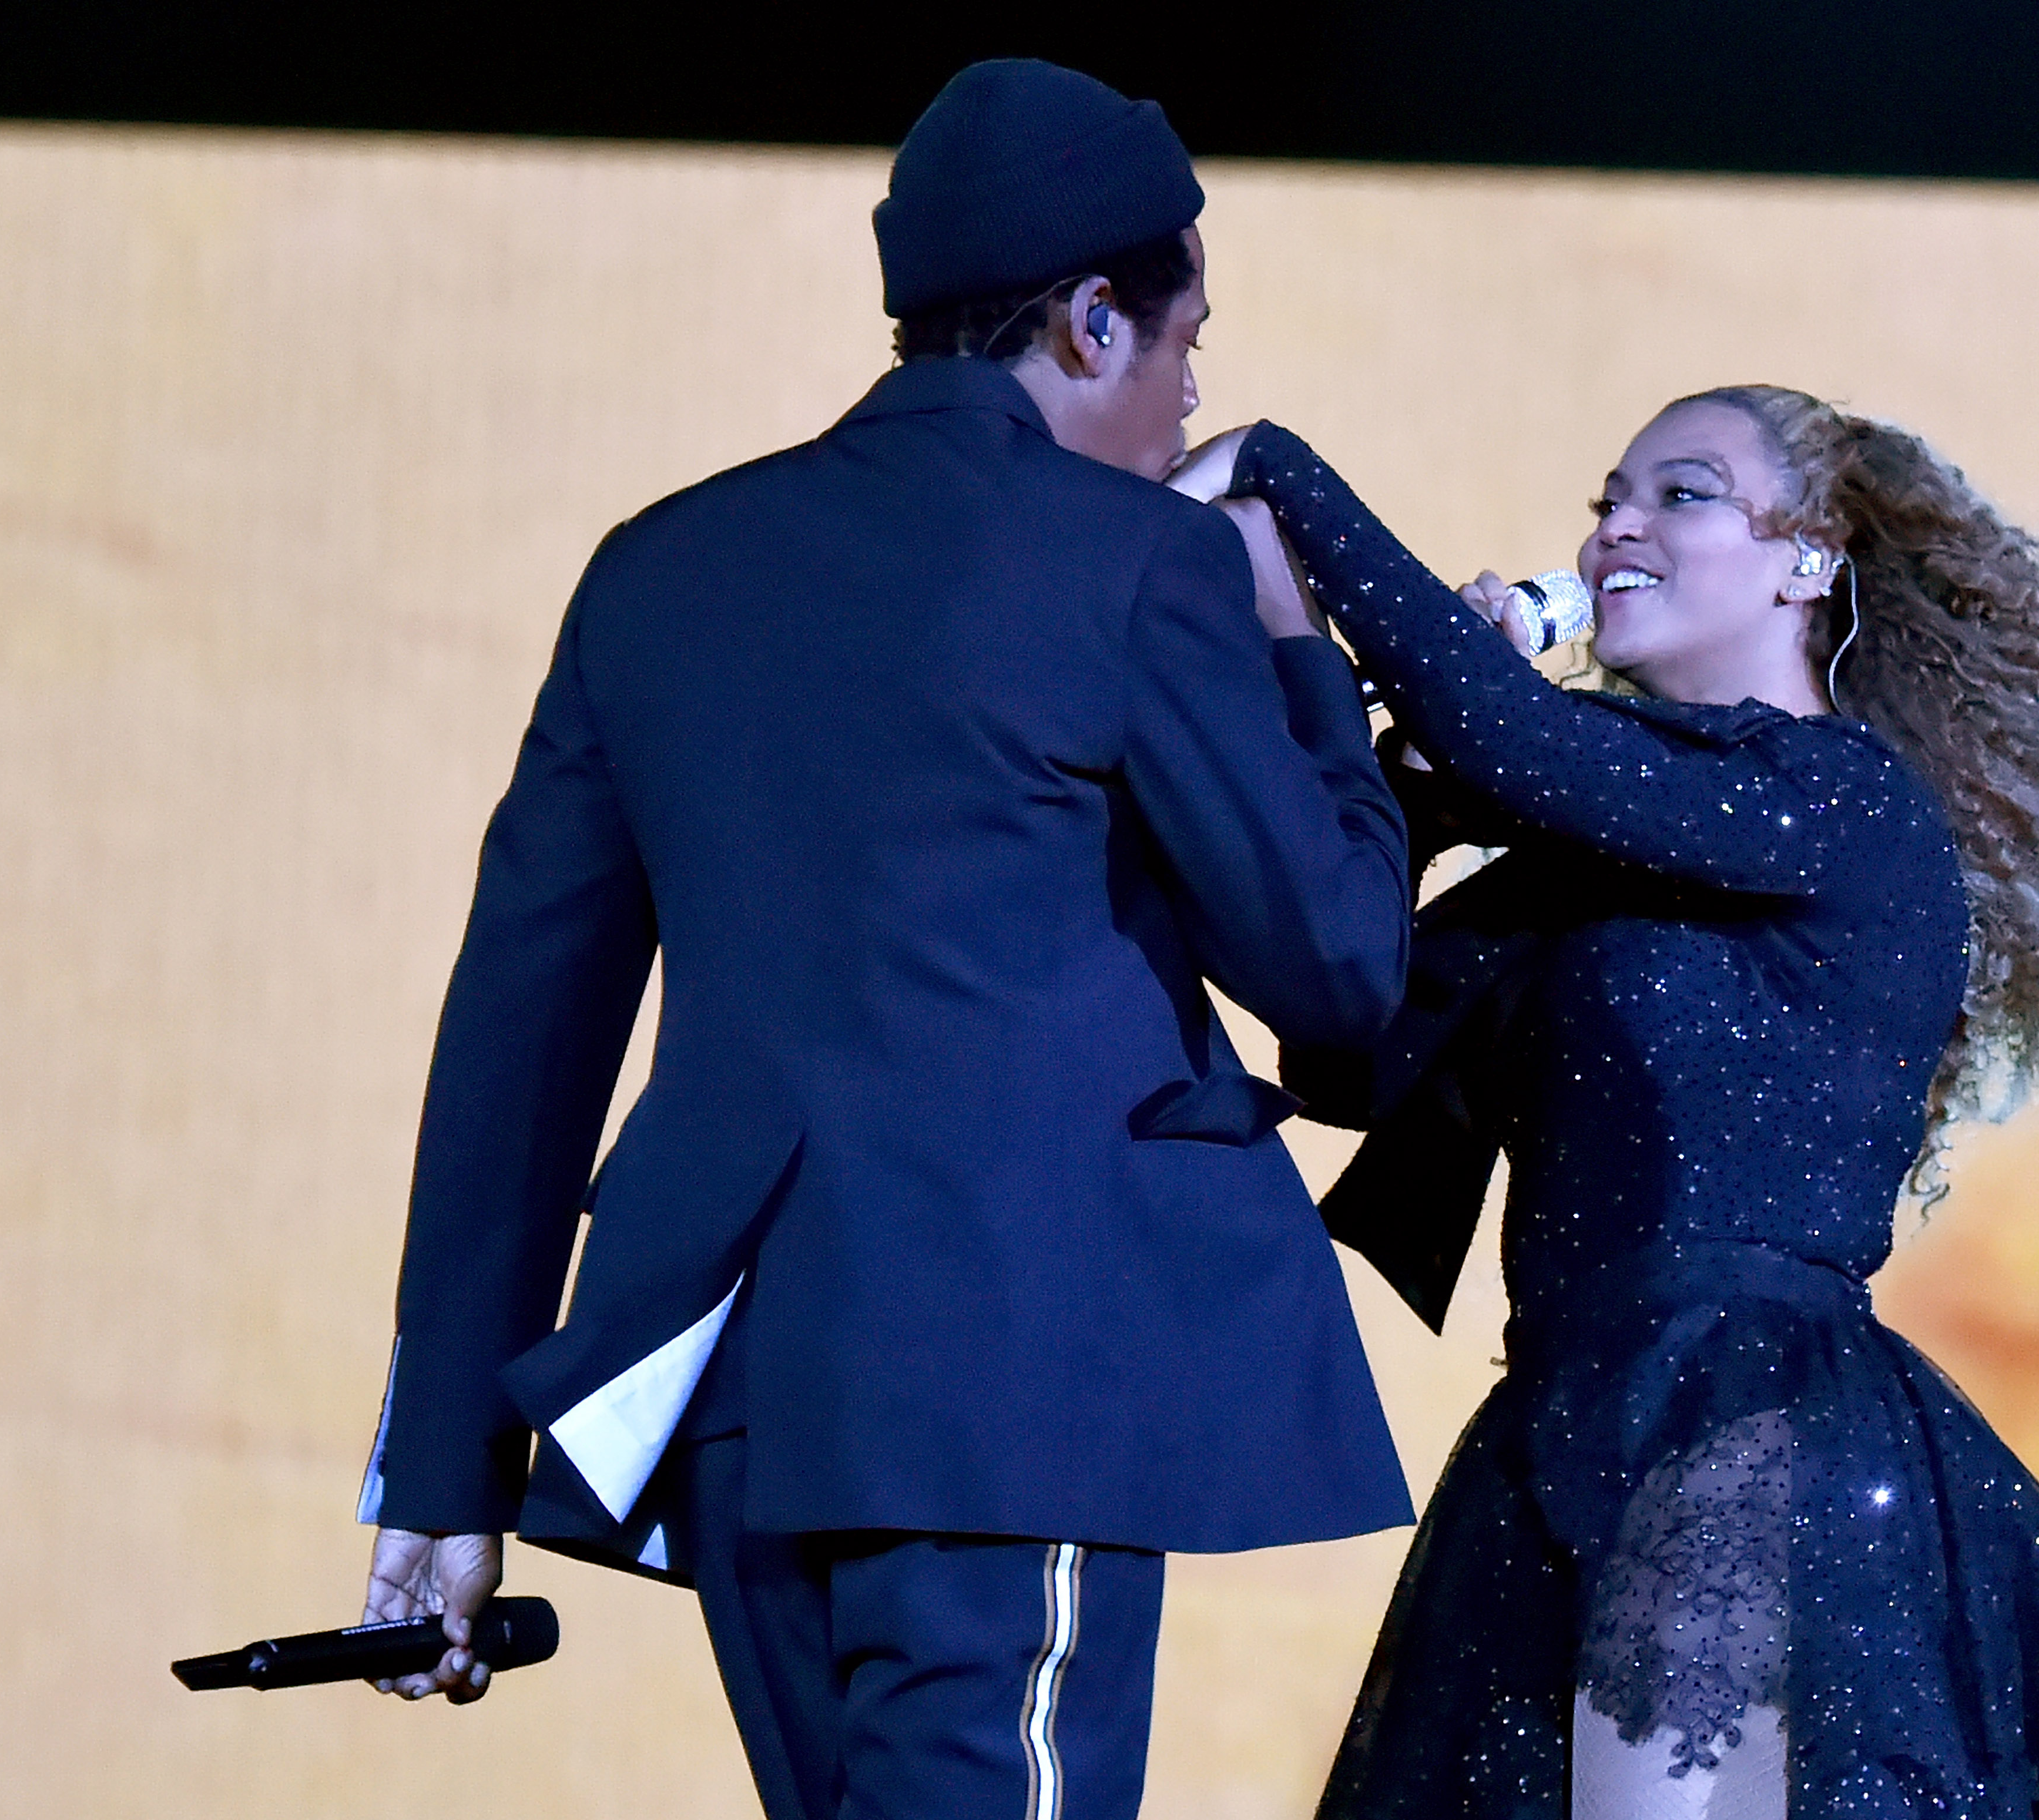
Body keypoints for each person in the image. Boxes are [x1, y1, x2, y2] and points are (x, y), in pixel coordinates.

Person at [351, 60, 1416, 1820]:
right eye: (1181, 342)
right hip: (1022, 1383)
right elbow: (1336, 968)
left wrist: (449, 1466)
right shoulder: (1137, 562)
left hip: (751, 1406)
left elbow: (517, 1051)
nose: (1191, 395)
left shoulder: (658, 569)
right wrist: (1298, 652)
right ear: (1089, 322)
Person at [1171, 393, 2039, 1817]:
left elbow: (1514, 738)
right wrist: (1399, 779)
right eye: (1605, 496)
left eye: (1680, 494)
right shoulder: (1587, 860)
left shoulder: (1842, 804)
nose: (1614, 525)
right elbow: (1351, 1052)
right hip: (1564, 1430)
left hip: (1739, 1424)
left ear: (1806, 561)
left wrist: (1277, 470)